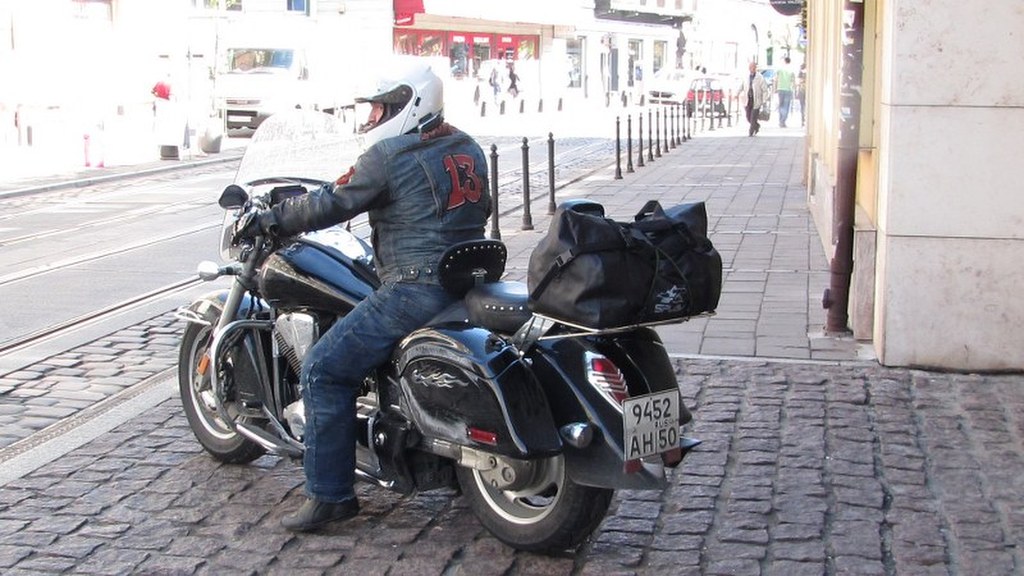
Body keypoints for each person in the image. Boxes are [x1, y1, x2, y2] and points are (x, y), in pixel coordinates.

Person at [234, 62, 492, 532]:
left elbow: (333, 202)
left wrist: (273, 218)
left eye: (379, 110)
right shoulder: (466, 145)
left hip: (415, 288)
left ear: (407, 105)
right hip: (468, 282)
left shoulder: (389, 155)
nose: (372, 119)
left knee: (324, 369)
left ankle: (329, 495)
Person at [739, 61, 770, 137]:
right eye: (750, 67)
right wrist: (736, 93)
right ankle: (756, 126)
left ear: (755, 68)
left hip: (756, 100)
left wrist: (764, 100)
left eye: (753, 67)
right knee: (748, 117)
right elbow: (741, 86)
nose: (751, 69)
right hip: (748, 99)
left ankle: (751, 131)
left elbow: (765, 90)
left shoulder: (760, 77)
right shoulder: (746, 76)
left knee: (753, 117)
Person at [775, 56, 796, 128]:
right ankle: (782, 121)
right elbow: (793, 80)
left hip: (780, 88)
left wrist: (775, 88)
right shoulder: (791, 69)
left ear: (784, 61)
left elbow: (776, 78)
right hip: (788, 89)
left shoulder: (780, 69)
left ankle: (781, 120)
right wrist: (794, 89)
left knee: (781, 105)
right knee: (786, 106)